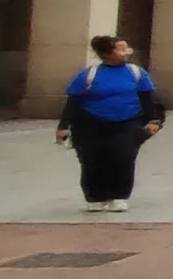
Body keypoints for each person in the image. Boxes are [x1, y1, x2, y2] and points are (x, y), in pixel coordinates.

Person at [54, 35, 164, 213]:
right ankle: (95, 197)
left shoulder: (136, 73)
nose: (126, 52)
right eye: (120, 49)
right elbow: (74, 102)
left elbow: (148, 98)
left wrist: (154, 120)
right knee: (91, 159)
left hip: (128, 121)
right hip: (91, 123)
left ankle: (118, 195)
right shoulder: (88, 75)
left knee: (123, 156)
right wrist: (64, 126)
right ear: (107, 53)